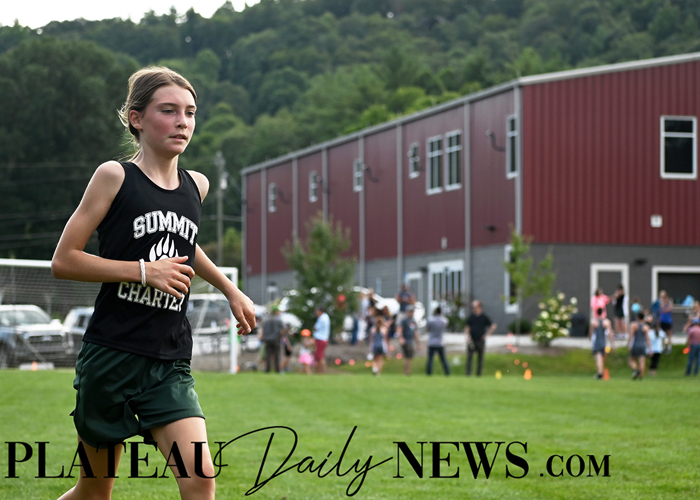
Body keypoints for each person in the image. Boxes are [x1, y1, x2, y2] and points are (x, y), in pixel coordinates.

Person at [51, 66, 256, 500]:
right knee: (94, 491)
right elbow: (64, 260)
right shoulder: (114, 176)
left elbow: (187, 246)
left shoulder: (196, 186)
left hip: (168, 360)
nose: (183, 122)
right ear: (137, 118)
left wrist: (230, 289)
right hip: (111, 357)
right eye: (169, 111)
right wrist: (144, 271)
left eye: (190, 112)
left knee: (200, 479)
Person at [464, 300, 497, 376]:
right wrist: (467, 336)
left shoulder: (484, 317)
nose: (473, 308)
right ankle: (468, 373)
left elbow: (493, 326)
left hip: (480, 340)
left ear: (479, 307)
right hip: (472, 340)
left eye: (475, 307)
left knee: (480, 358)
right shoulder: (471, 317)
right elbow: (467, 327)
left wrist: (486, 335)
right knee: (469, 357)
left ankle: (478, 374)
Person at [260, 306, 287, 373]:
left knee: (268, 355)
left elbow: (262, 330)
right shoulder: (279, 320)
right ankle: (278, 369)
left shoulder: (265, 320)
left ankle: (267, 369)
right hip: (276, 339)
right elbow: (284, 329)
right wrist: (281, 335)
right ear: (276, 312)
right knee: (277, 355)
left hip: (267, 340)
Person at [589, 309, 614, 379]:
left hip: (597, 342)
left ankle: (600, 372)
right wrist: (612, 344)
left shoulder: (594, 322)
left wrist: (590, 340)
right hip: (604, 342)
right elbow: (610, 334)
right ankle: (601, 372)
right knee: (602, 358)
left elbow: (590, 333)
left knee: (598, 358)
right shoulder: (606, 322)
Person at [426, 306, 450, 376]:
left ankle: (429, 373)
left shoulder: (431, 320)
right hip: (440, 342)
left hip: (432, 342)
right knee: (443, 359)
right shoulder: (444, 320)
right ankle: (447, 373)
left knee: (430, 359)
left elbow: (428, 328)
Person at [396, 306, 420, 375]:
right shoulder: (404, 320)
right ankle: (406, 371)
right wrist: (401, 338)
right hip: (406, 340)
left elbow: (415, 332)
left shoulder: (413, 320)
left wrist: (418, 343)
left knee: (409, 357)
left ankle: (407, 371)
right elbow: (400, 329)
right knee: (407, 356)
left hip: (410, 340)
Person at [628, 312, 651, 380]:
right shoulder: (646, 327)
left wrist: (629, 344)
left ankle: (635, 369)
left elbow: (631, 335)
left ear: (637, 317)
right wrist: (650, 348)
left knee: (631, 360)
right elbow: (648, 338)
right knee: (642, 361)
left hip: (635, 345)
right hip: (642, 345)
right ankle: (641, 376)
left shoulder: (634, 325)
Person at [313, 305, 330, 373]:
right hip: (324, 338)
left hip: (320, 339)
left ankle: (320, 372)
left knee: (319, 357)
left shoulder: (322, 318)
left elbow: (316, 328)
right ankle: (320, 372)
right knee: (320, 356)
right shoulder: (326, 317)